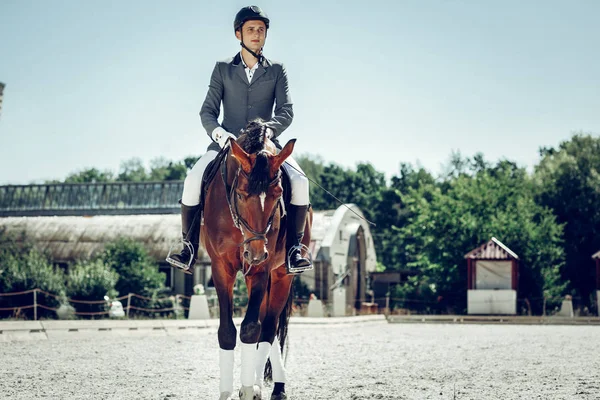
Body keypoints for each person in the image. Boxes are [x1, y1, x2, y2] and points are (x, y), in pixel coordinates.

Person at [167, 5, 312, 275]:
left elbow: (286, 112)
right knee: (191, 180)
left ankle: (294, 250)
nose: (256, 34)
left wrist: (267, 131)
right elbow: (207, 112)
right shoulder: (222, 69)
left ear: (265, 34)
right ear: (239, 34)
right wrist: (222, 136)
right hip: (227, 144)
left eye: (261, 30)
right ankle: (187, 247)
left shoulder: (277, 70)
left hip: (266, 146)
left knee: (301, 182)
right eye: (250, 30)